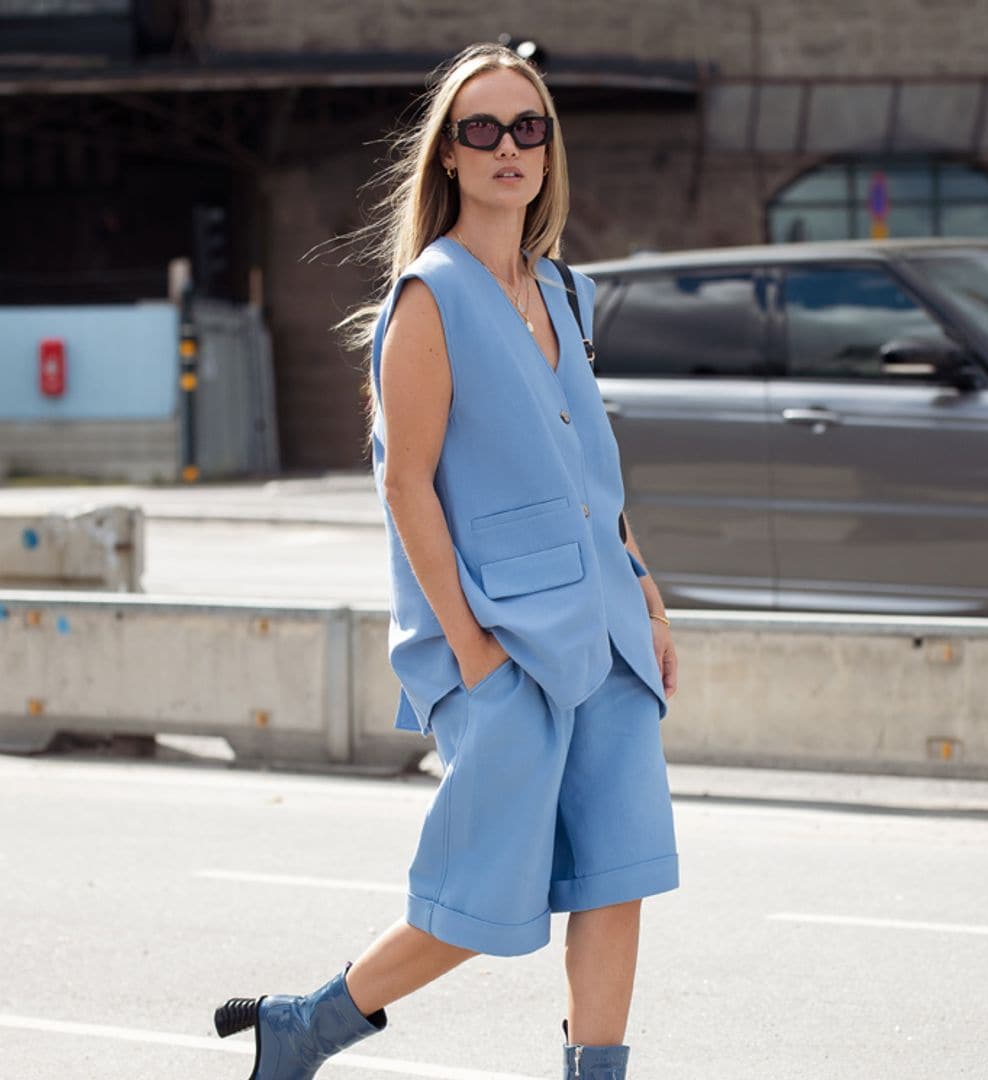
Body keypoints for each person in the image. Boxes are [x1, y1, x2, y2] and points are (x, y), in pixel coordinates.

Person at [213, 42, 680, 1080]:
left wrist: (645, 592)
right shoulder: (429, 298)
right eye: (482, 129)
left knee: (617, 874)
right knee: (480, 897)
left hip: (604, 629)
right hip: (504, 638)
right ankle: (307, 1025)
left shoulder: (565, 294)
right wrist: (469, 649)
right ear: (451, 159)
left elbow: (591, 474)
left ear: (549, 152)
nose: (509, 146)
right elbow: (404, 483)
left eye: (529, 127)